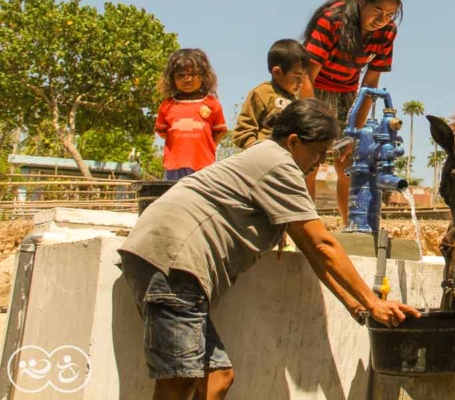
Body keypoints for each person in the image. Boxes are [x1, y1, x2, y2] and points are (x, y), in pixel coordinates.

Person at [118, 99, 420, 400]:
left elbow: (313, 251)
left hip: (169, 260)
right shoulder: (279, 164)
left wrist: (353, 303)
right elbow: (324, 244)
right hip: (173, 261)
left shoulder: (271, 162)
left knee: (217, 379)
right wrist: (373, 303)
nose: (319, 163)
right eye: (318, 153)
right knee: (179, 381)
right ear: (293, 141)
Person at [301, 0, 403, 226]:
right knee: (310, 163)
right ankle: (306, 227)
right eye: (377, 11)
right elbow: (306, 77)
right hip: (314, 91)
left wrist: (355, 131)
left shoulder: (387, 33)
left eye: (389, 14)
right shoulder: (332, 19)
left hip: (348, 94)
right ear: (360, 1)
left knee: (350, 163)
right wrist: (313, 121)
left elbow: (370, 84)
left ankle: (351, 227)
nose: (382, 20)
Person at [155, 48, 228, 180]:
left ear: (203, 76)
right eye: (180, 75)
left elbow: (220, 131)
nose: (187, 79)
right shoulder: (167, 105)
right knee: (176, 197)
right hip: (174, 165)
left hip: (203, 165)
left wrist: (206, 146)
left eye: (192, 74)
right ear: (172, 79)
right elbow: (162, 132)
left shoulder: (212, 104)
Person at [232, 39, 307, 149]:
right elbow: (243, 130)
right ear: (277, 72)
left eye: (303, 77)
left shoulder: (296, 102)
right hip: (264, 157)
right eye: (297, 77)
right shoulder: (262, 93)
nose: (301, 83)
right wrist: (255, 150)